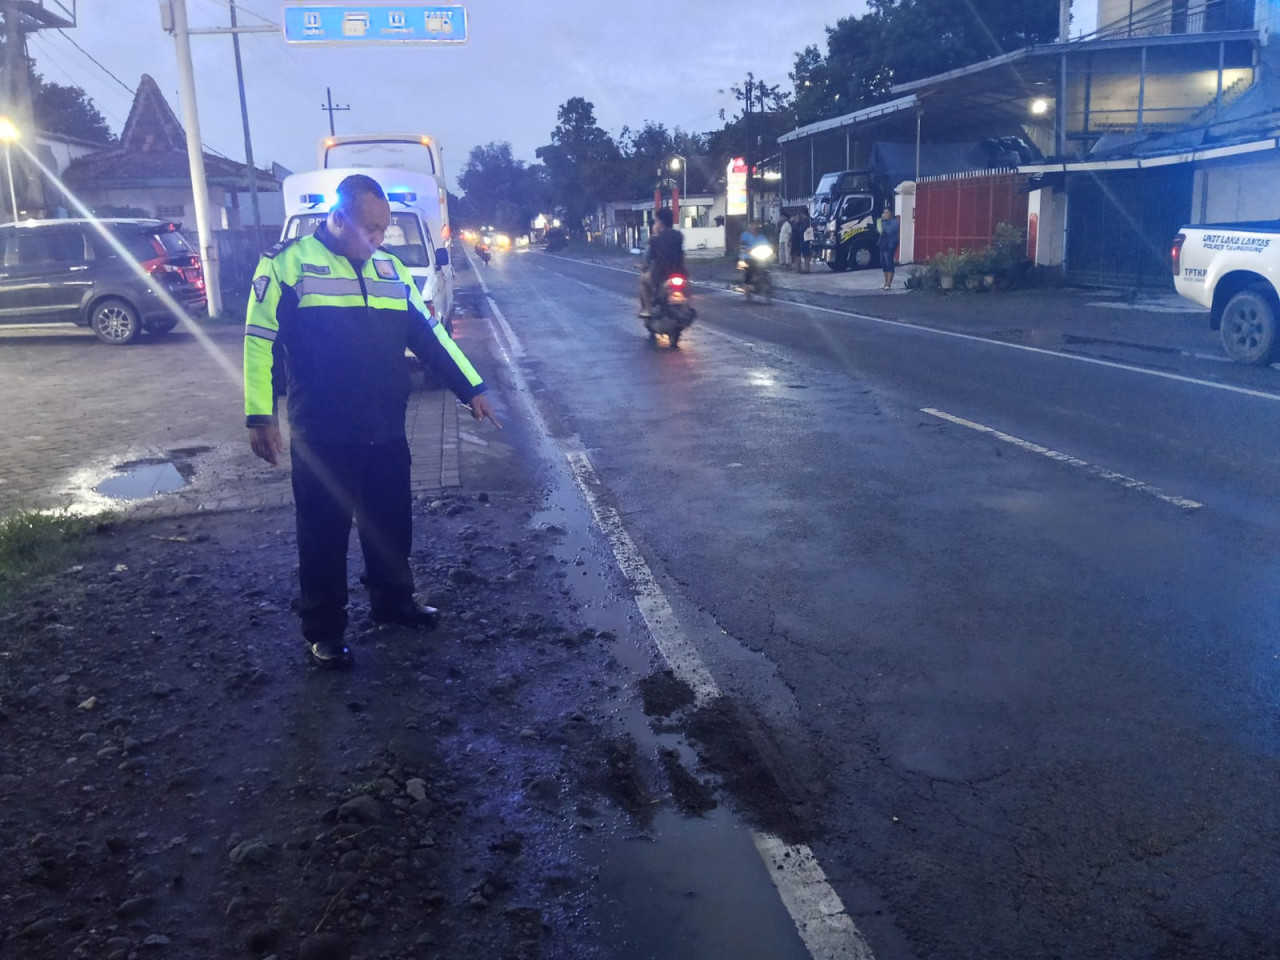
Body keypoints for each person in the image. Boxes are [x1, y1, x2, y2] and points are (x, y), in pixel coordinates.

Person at [243, 174, 502, 668]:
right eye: (370, 229)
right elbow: (259, 341)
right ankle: (324, 630)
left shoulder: (391, 270)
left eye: (384, 229)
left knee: (390, 524)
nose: (379, 239)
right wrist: (261, 415)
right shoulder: (287, 265)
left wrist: (472, 388)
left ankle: (393, 603)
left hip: (384, 426)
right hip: (322, 432)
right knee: (323, 534)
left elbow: (430, 337)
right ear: (337, 219)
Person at [639, 206, 685, 318]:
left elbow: (648, 257)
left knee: (643, 279)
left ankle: (648, 310)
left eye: (656, 221)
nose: (655, 223)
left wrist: (654, 234)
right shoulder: (678, 236)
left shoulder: (655, 239)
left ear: (660, 222)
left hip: (660, 275)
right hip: (679, 273)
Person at [877, 206, 900, 290]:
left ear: (891, 213)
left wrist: (883, 223)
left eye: (887, 212)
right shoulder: (884, 222)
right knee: (883, 263)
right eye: (884, 213)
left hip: (891, 244)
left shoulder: (895, 222)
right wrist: (880, 222)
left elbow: (889, 230)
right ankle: (885, 282)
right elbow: (879, 230)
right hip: (883, 244)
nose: (885, 214)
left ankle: (889, 284)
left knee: (889, 262)